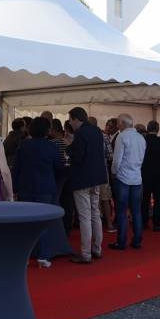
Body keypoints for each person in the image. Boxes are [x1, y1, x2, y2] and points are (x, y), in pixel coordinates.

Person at [13, 117, 70, 268]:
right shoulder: (51, 147)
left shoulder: (24, 145)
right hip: (45, 188)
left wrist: (15, 188)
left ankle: (25, 256)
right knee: (43, 223)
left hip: (25, 188)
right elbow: (59, 166)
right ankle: (43, 257)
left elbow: (16, 167)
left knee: (26, 223)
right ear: (47, 130)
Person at [65, 107, 107, 264]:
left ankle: (85, 253)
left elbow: (78, 156)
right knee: (95, 213)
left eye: (70, 120)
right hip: (97, 177)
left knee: (84, 216)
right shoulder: (96, 130)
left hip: (82, 178)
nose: (70, 123)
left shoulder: (81, 133)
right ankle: (97, 249)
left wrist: (69, 146)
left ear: (76, 119)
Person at [109, 114, 146, 250]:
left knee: (121, 211)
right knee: (136, 211)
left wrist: (113, 172)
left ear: (123, 123)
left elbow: (117, 159)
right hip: (137, 178)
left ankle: (121, 241)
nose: (117, 125)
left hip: (123, 178)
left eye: (118, 123)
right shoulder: (141, 138)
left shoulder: (122, 136)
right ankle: (137, 240)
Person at [142, 120, 160, 232]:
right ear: (158, 130)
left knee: (145, 200)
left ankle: (143, 222)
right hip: (159, 175)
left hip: (145, 174)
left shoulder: (143, 140)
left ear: (147, 129)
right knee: (159, 200)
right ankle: (157, 223)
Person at [50, 119, 74, 234]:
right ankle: (67, 226)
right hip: (69, 173)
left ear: (53, 130)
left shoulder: (53, 143)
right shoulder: (68, 142)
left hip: (58, 175)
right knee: (68, 201)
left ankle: (57, 228)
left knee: (57, 200)